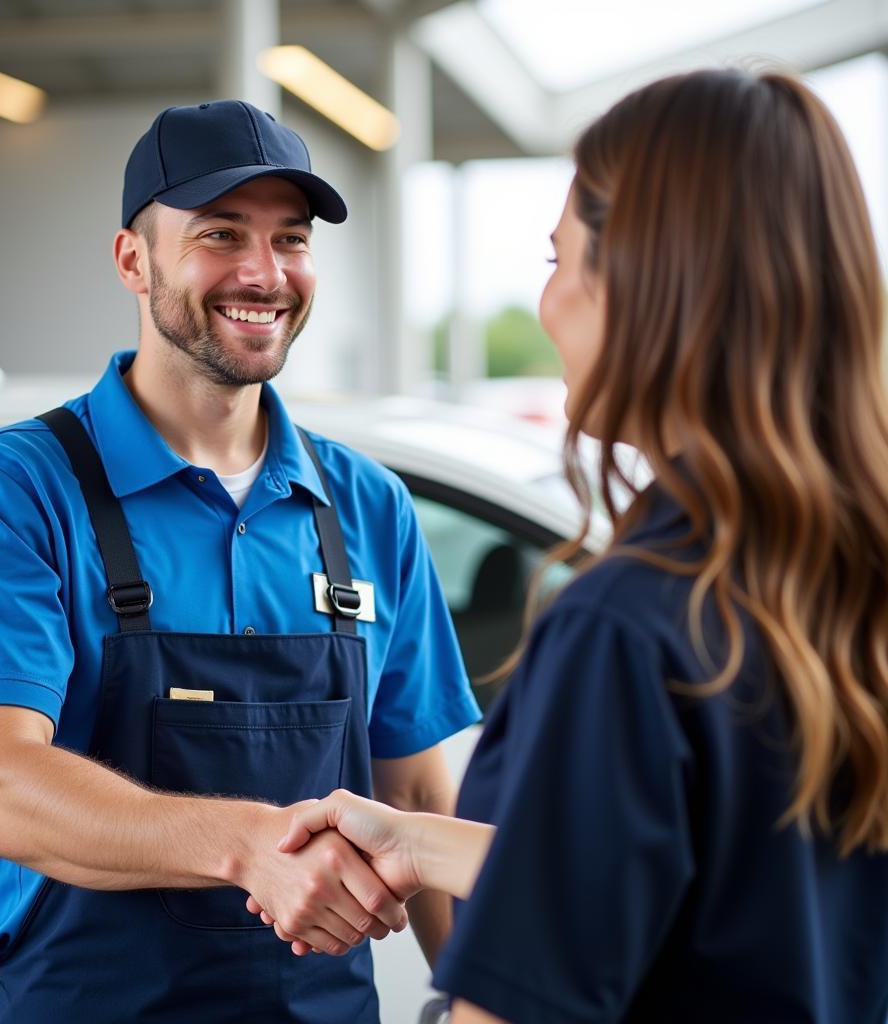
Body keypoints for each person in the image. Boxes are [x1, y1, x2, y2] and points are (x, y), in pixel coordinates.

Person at [254, 69, 888, 1023]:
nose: (547, 308)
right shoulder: (839, 579)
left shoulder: (629, 630)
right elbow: (737, 887)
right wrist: (421, 845)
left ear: (644, 279)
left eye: (558, 263)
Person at [0, 99, 480, 1023]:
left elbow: (409, 785)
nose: (264, 272)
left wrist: (485, 1000)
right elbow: (2, 788)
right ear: (134, 259)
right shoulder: (17, 488)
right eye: (220, 234)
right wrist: (253, 845)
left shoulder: (368, 506)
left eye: (291, 239)